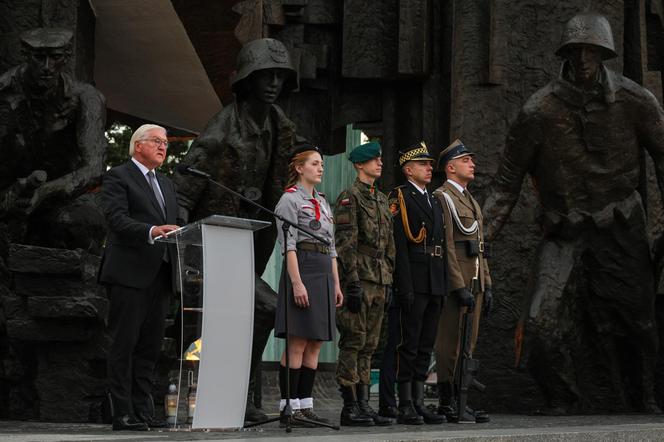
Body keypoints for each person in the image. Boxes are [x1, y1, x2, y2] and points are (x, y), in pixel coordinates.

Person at [483, 12, 664, 413]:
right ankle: (561, 397)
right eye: (576, 50)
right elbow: (506, 185)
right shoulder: (539, 111)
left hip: (621, 228)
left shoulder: (637, 101)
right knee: (539, 323)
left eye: (593, 51)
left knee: (640, 322)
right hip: (565, 232)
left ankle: (643, 396)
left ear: (605, 55)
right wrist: (473, 242)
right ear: (564, 54)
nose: (584, 59)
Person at [173, 38, 299, 422]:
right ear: (247, 79)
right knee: (267, 307)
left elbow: (299, 164)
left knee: (250, 314)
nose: (274, 82)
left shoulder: (280, 124)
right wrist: (180, 251)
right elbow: (184, 189)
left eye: (279, 75)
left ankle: (236, 399)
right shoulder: (223, 127)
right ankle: (237, 396)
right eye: (265, 75)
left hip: (251, 242)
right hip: (217, 241)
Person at [98, 124, 179, 431]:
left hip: (160, 275)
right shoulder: (118, 176)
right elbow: (115, 218)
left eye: (166, 143)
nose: (163, 147)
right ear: (138, 146)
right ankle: (121, 413)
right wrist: (151, 231)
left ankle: (142, 411)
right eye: (157, 141)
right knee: (124, 345)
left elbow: (174, 223)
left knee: (149, 348)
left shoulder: (167, 184)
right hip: (129, 274)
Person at [0, 27, 107, 250]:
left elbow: (95, 167)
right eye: (39, 58)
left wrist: (46, 190)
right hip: (8, 194)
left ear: (66, 57)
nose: (47, 67)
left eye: (55, 58)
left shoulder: (86, 98)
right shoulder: (3, 92)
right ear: (25, 55)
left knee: (79, 224)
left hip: (61, 199)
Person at [273, 143, 343, 427]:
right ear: (299, 168)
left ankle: (305, 405)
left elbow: (333, 247)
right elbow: (288, 246)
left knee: (315, 342)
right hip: (302, 268)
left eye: (322, 165)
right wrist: (296, 283)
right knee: (297, 340)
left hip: (324, 271)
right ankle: (288, 407)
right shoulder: (289, 200)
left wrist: (336, 285)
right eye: (314, 163)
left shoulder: (324, 202)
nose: (320, 168)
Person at [380, 143, 446, 425]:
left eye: (430, 164)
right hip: (414, 280)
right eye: (423, 164)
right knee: (406, 343)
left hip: (434, 280)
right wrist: (403, 285)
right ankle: (403, 401)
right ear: (409, 170)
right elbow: (400, 247)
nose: (430, 168)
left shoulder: (434, 199)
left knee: (425, 343)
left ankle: (419, 401)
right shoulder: (400, 198)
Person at [334, 142, 395, 427]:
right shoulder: (350, 197)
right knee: (353, 340)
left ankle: (363, 404)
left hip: (380, 277)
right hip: (360, 277)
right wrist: (352, 282)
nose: (380, 163)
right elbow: (345, 243)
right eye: (374, 159)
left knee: (370, 345)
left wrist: (390, 277)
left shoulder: (381, 199)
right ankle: (349, 406)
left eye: (380, 159)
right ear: (360, 165)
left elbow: (389, 244)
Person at [433, 139, 491, 423]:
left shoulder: (469, 199)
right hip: (458, 281)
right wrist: (457, 284)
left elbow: (479, 246)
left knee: (469, 343)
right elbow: (445, 245)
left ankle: (462, 398)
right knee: (451, 342)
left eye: (472, 160)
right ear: (451, 167)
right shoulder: (443, 198)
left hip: (476, 280)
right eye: (466, 160)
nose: (473, 164)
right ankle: (447, 401)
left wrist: (487, 285)